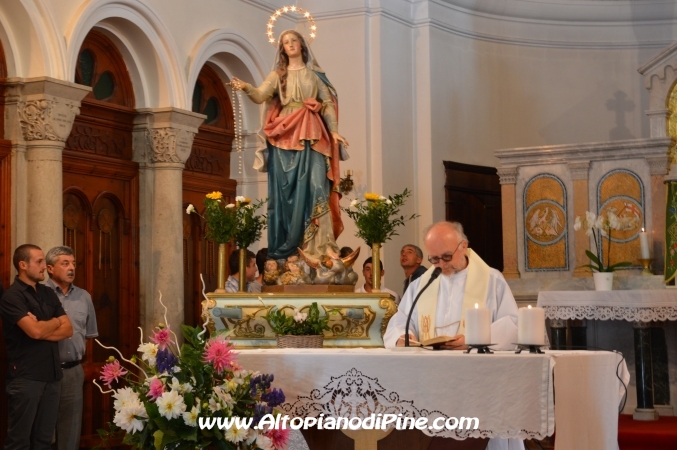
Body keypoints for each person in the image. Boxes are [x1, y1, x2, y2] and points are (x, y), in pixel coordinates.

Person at [384, 222, 521, 450]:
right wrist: (403, 336)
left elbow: (513, 325)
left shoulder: (491, 281)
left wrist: (473, 338)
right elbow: (400, 319)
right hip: (431, 386)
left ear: (463, 246)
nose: (441, 265)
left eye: (446, 257)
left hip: (478, 386)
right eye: (434, 259)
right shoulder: (422, 284)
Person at [231, 29, 349, 262]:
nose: (291, 44)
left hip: (313, 134)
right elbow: (260, 94)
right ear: (282, 49)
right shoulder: (277, 76)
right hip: (284, 135)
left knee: (317, 186)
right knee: (285, 194)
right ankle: (290, 248)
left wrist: (334, 132)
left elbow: (326, 104)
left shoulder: (314, 76)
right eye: (286, 42)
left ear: (302, 45)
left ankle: (322, 246)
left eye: (294, 40)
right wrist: (245, 87)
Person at [0, 244, 73, 449]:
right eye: (39, 262)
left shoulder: (48, 293)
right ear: (23, 265)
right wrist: (52, 323)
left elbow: (68, 329)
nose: (44, 266)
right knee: (19, 441)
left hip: (52, 375)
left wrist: (43, 326)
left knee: (44, 440)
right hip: (26, 378)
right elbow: (36, 332)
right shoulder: (12, 296)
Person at [45, 246, 98, 450]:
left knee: (70, 431)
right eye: (65, 263)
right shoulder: (40, 294)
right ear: (50, 268)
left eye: (73, 263)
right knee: (44, 431)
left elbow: (89, 335)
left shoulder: (84, 296)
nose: (71, 268)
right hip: (45, 370)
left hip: (74, 370)